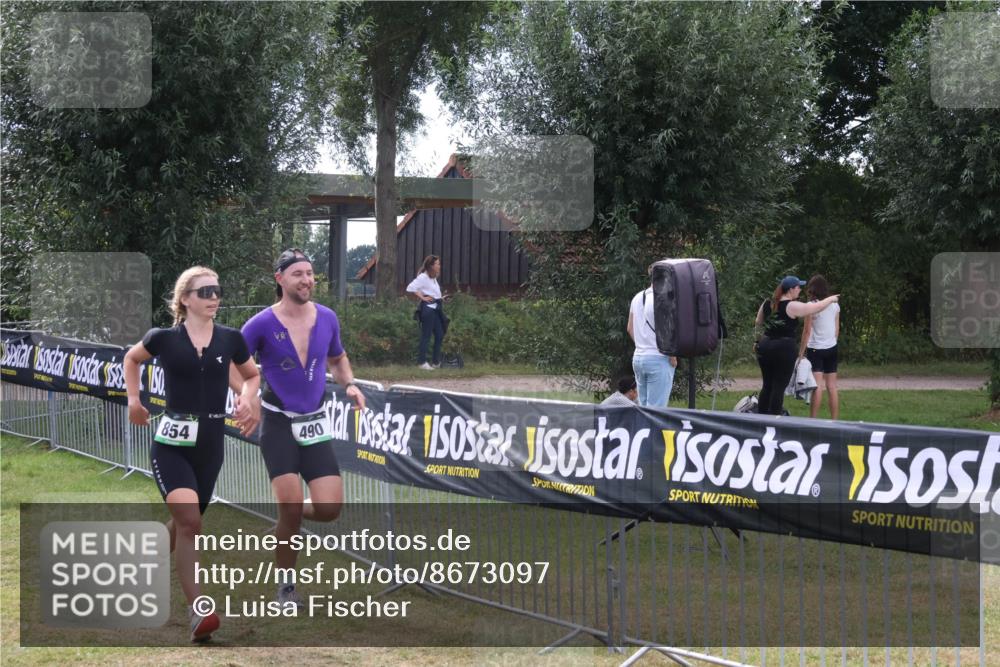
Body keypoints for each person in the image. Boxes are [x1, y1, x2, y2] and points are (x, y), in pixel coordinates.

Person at [124, 267, 260, 643]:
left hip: (211, 446)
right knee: (190, 524)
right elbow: (131, 359)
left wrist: (247, 398)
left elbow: (251, 376)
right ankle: (198, 612)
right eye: (205, 292)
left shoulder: (231, 339)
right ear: (185, 299)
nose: (214, 297)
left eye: (217, 290)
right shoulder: (163, 338)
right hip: (171, 445)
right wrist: (134, 401)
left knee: (186, 521)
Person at [239, 249, 366, 607]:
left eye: (310, 273)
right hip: (277, 423)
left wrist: (350, 384)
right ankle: (287, 587)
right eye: (298, 274)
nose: (307, 280)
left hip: (314, 423)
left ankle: (285, 522)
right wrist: (245, 395)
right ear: (280, 279)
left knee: (329, 509)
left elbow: (337, 358)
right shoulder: (261, 323)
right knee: (291, 506)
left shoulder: (327, 317)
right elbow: (235, 362)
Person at [754, 275, 839, 416]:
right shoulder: (791, 305)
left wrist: (757, 342)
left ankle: (761, 417)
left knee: (767, 385)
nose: (800, 289)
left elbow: (758, 322)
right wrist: (831, 299)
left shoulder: (768, 302)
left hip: (765, 346)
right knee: (778, 386)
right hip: (783, 348)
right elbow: (815, 308)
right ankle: (774, 420)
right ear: (791, 290)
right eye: (798, 287)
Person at [627, 268, 678, 408]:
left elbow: (630, 328)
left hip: (638, 357)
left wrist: (643, 344)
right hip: (659, 358)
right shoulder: (663, 298)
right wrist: (672, 355)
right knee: (657, 409)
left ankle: (642, 430)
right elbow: (667, 329)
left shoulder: (637, 297)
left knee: (643, 407)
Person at [799, 274, 841, 419]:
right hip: (832, 348)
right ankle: (834, 421)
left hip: (815, 349)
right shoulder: (835, 305)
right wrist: (831, 342)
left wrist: (800, 354)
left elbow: (807, 331)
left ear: (812, 289)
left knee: (817, 386)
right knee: (832, 386)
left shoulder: (810, 306)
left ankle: (813, 420)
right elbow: (836, 330)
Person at [406, 255, 447, 370]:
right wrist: (423, 297)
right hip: (428, 310)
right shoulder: (423, 277)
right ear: (431, 266)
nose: (439, 266)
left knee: (439, 334)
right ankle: (422, 362)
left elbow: (433, 294)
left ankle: (435, 362)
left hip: (436, 308)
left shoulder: (433, 278)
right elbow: (410, 288)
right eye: (437, 264)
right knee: (426, 336)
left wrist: (442, 298)